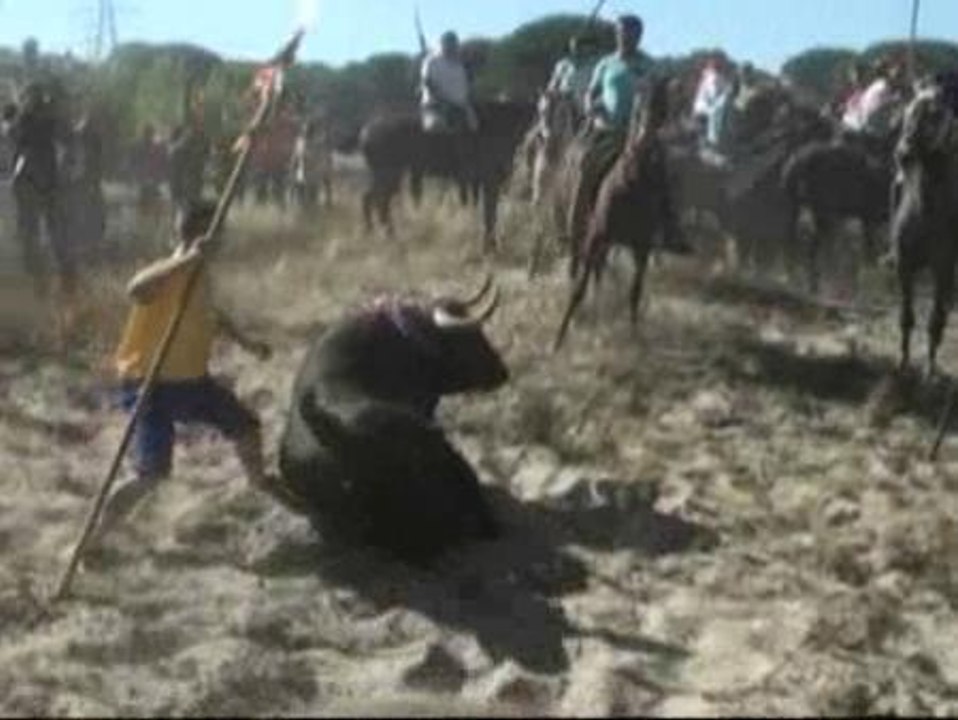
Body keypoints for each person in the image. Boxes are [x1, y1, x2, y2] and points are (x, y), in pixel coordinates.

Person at [98, 200, 274, 537]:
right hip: (151, 384)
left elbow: (211, 315)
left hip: (191, 380)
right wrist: (190, 258)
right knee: (152, 475)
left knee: (246, 428)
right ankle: (98, 535)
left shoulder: (199, 276)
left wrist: (247, 343)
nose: (223, 239)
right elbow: (137, 289)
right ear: (203, 234)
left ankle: (260, 484)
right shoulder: (173, 269)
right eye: (219, 231)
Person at [570, 14, 692, 257]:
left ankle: (669, 229)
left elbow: (663, 95)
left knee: (665, 173)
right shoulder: (606, 64)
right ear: (616, 35)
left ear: (639, 36)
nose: (625, 38)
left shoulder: (650, 66)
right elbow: (590, 94)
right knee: (587, 166)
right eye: (621, 33)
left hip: (641, 135)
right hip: (609, 130)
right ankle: (577, 223)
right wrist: (593, 110)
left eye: (631, 34)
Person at [9, 81, 74, 300]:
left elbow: (13, 134)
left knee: (33, 234)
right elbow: (66, 138)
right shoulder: (47, 117)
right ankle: (59, 279)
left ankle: (46, 281)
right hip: (45, 178)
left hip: (32, 179)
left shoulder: (28, 118)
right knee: (51, 234)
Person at [420, 31, 478, 133]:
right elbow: (428, 83)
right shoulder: (431, 61)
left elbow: (469, 85)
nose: (451, 47)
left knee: (474, 126)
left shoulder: (461, 64)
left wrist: (468, 104)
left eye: (453, 44)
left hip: (461, 107)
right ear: (442, 44)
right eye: (448, 44)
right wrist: (444, 103)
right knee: (436, 126)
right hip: (436, 106)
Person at [547, 36, 596, 113]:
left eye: (579, 47)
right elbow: (553, 83)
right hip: (565, 99)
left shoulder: (592, 65)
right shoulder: (562, 64)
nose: (577, 50)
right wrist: (552, 90)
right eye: (574, 47)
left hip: (584, 98)